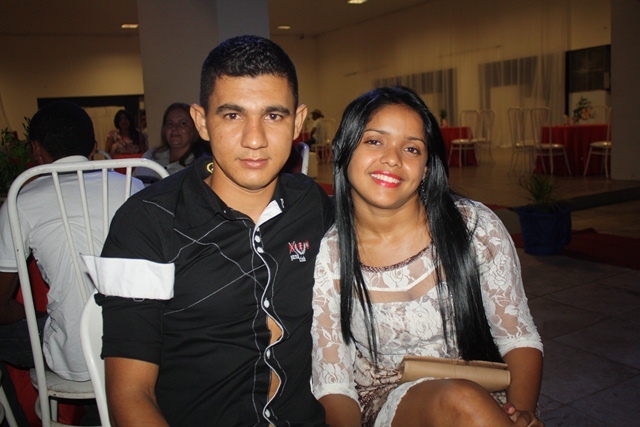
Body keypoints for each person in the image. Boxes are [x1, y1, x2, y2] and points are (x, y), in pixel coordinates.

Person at [85, 35, 334, 426]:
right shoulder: (148, 222)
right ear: (201, 121)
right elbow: (131, 395)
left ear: (297, 122)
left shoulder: (312, 204)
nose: (255, 139)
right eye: (232, 115)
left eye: (273, 116)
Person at [311, 86, 544, 427]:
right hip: (385, 400)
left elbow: (517, 336)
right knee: (460, 399)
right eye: (374, 141)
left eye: (412, 148)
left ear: (425, 168)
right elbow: (334, 383)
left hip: (482, 390)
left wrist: (521, 411)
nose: (393, 158)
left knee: (467, 401)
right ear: (344, 150)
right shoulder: (331, 255)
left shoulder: (474, 227)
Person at [134, 102, 210, 182]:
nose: (174, 128)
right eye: (170, 124)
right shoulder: (150, 156)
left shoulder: (201, 165)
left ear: (194, 129)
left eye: (182, 123)